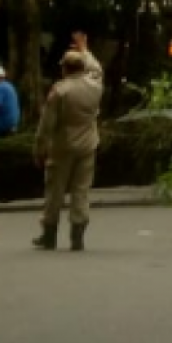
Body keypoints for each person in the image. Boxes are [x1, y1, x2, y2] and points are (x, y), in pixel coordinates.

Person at [33, 50, 103, 252]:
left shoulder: (60, 91)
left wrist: (39, 148)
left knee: (55, 190)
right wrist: (86, 50)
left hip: (63, 146)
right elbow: (96, 68)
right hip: (88, 144)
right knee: (81, 189)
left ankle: (49, 234)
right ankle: (77, 235)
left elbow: (47, 124)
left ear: (65, 68)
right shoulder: (96, 86)